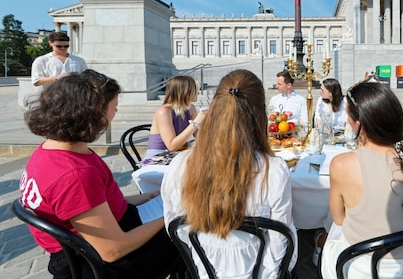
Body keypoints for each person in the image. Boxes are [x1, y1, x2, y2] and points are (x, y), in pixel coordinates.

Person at [19, 69, 181, 278]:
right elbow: (113, 250)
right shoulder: (75, 173)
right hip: (93, 262)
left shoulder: (52, 150)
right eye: (114, 106)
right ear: (97, 111)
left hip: (92, 240)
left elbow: (90, 206)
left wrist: (147, 197)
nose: (116, 112)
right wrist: (172, 216)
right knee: (193, 231)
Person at [161, 69, 298, 277]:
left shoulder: (180, 165)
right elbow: (280, 242)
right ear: (260, 115)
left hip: (205, 269)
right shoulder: (274, 170)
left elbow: (177, 228)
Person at [320, 81, 403, 278]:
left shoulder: (343, 164)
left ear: (359, 123)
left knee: (332, 226)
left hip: (362, 267)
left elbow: (339, 219)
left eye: (349, 116)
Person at [144, 75, 205, 160]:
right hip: (158, 156)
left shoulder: (190, 108)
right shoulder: (164, 112)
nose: (198, 92)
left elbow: (199, 136)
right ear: (186, 91)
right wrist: (195, 123)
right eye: (195, 89)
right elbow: (172, 146)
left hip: (178, 154)